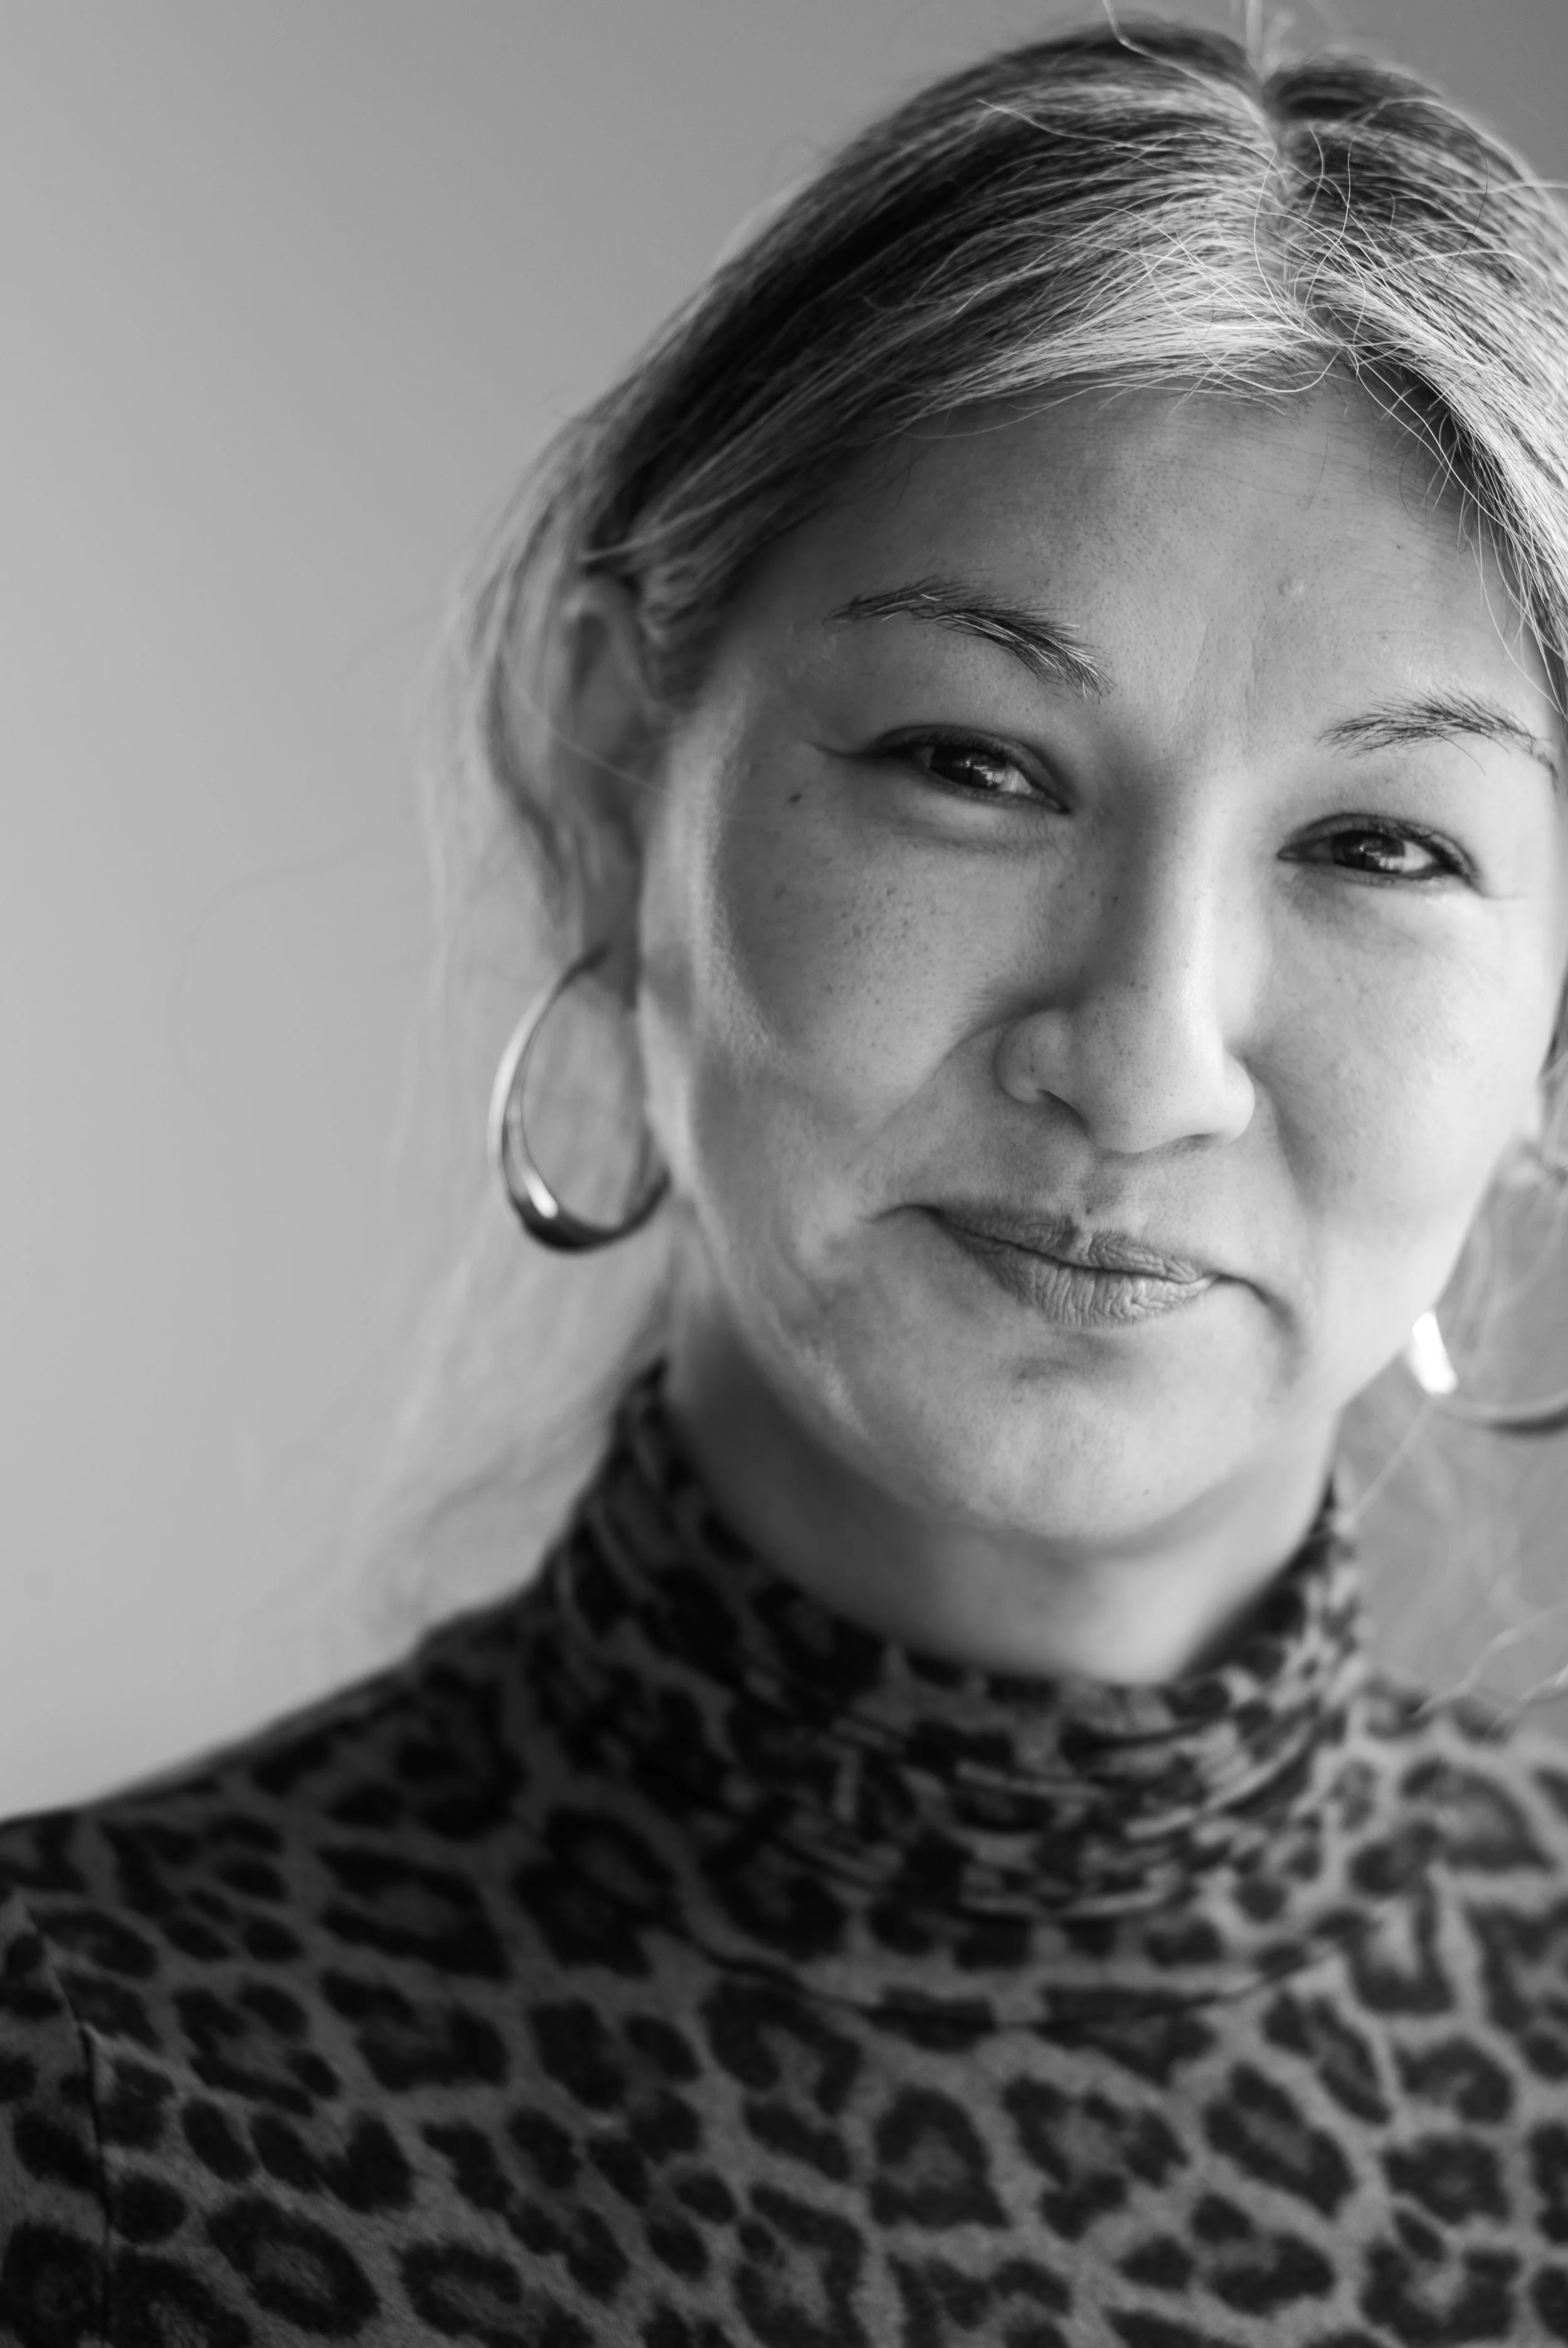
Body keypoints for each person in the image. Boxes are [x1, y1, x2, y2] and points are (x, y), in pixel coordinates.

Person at [6, 16, 1568, 2345]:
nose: (1142, 1063)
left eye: (1377, 843)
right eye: (974, 761)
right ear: (621, 771)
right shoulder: (94, 2108)